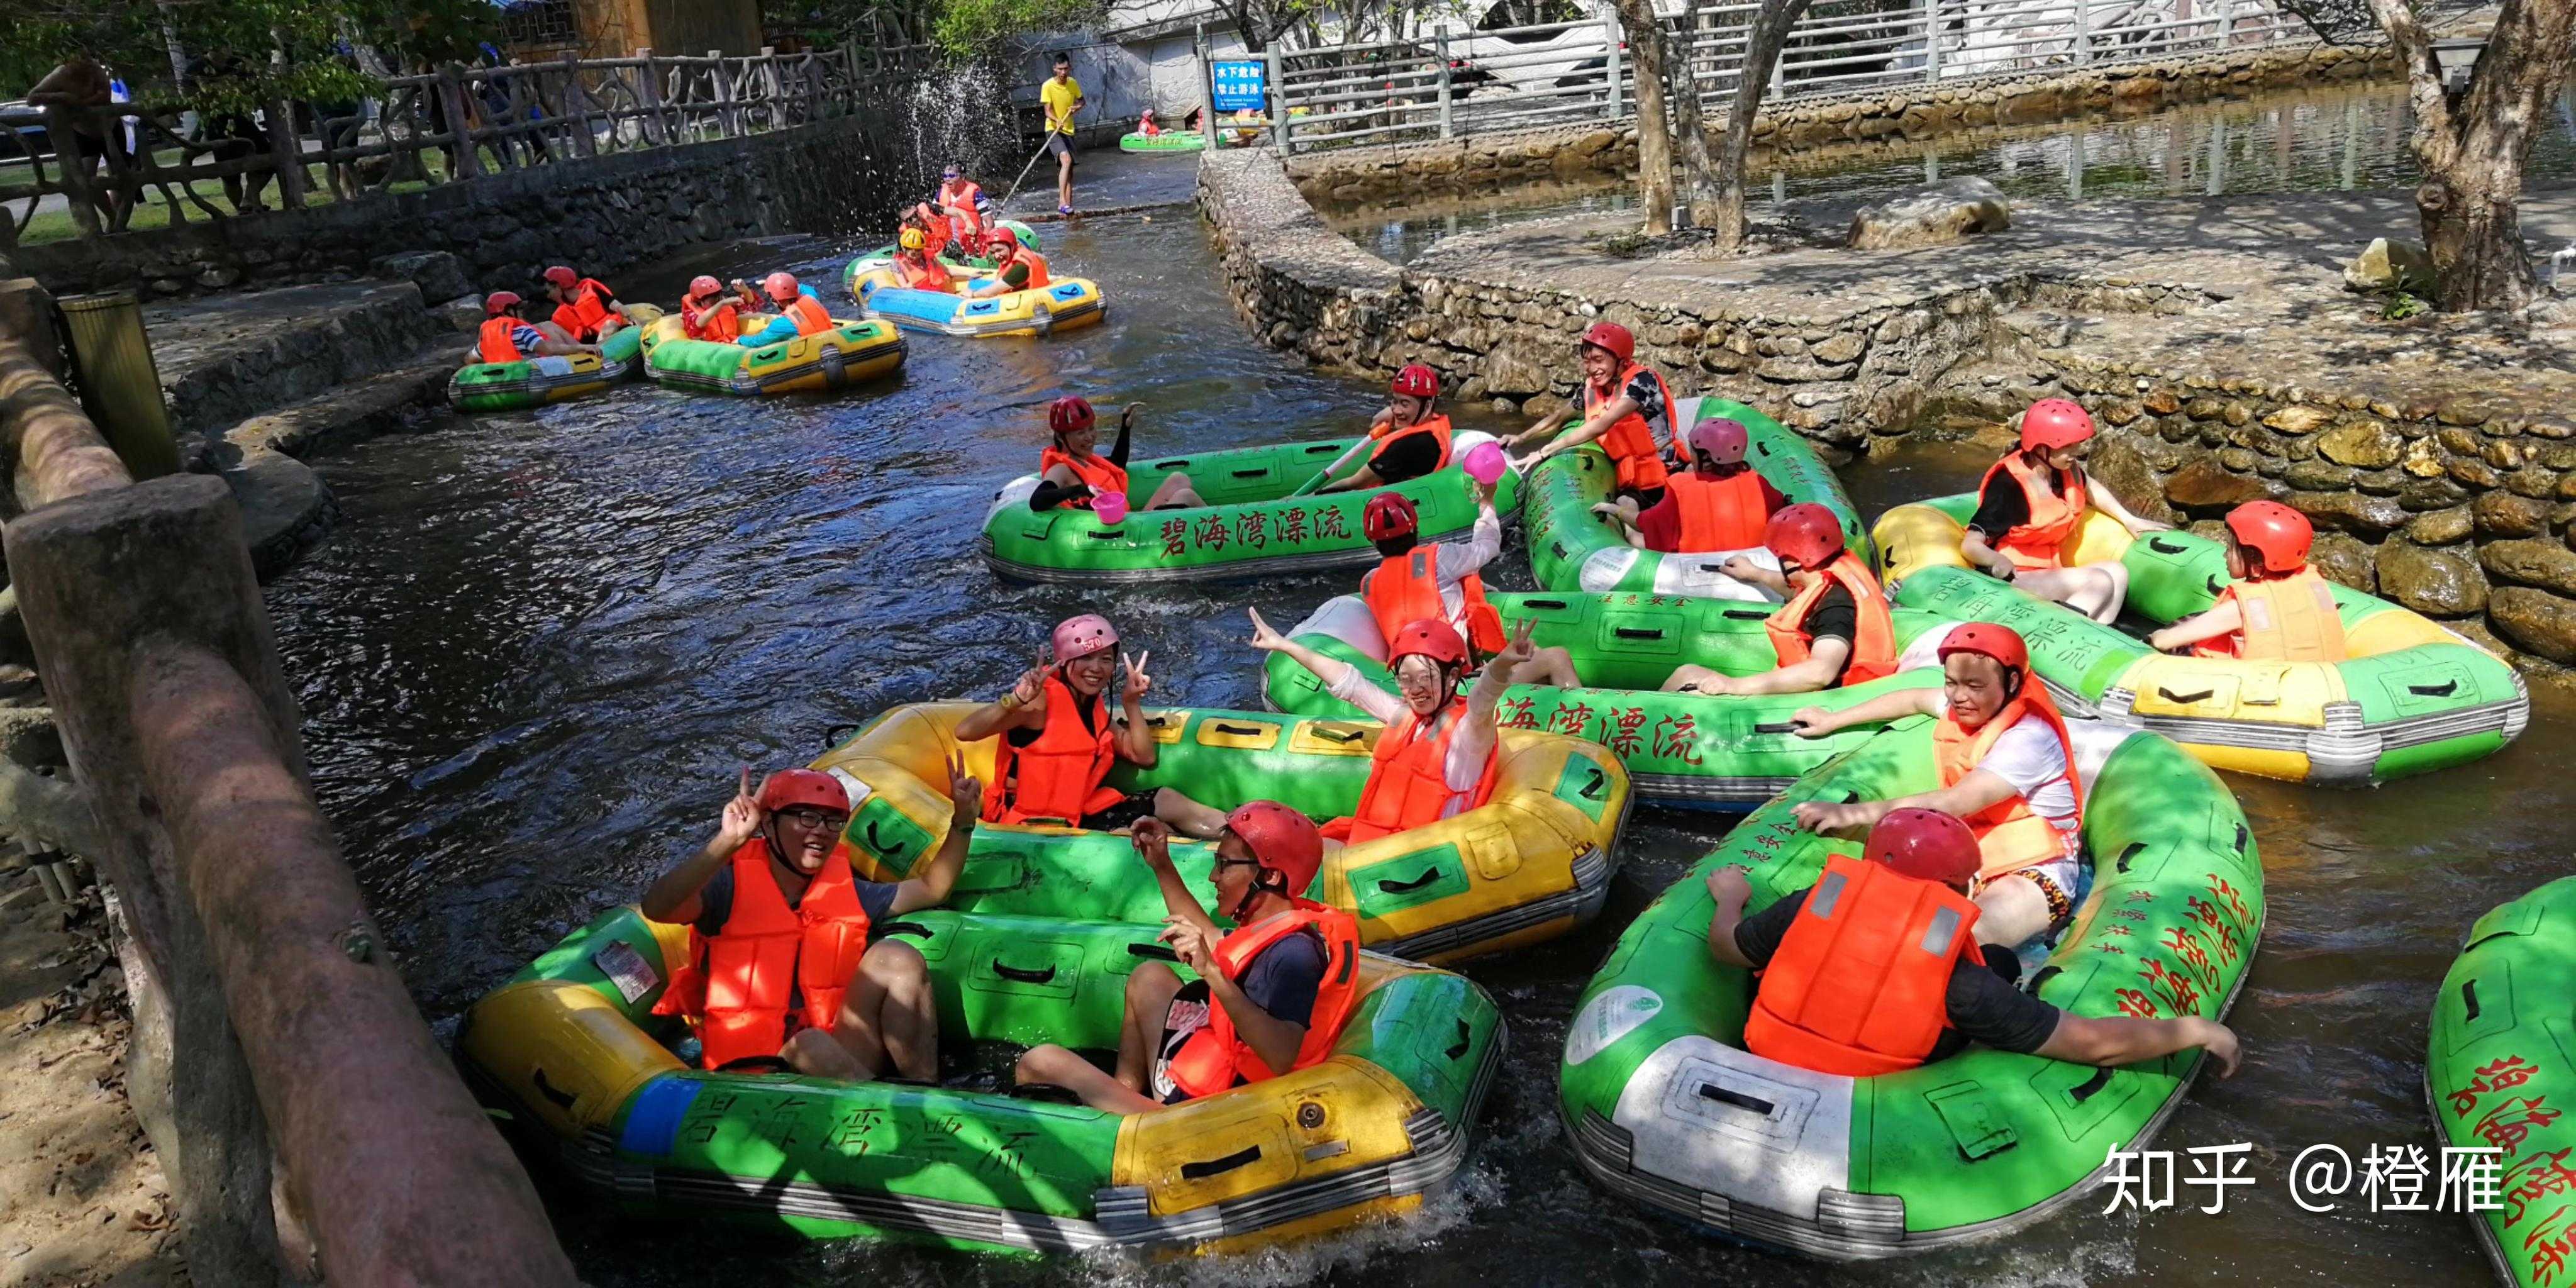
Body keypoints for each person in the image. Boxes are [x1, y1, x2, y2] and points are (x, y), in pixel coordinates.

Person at [1704, 809, 2241, 1079]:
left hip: (1768, 1051)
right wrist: (2192, 1029)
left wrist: (1731, 897)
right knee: (2002, 964)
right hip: (1879, 1090)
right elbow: (2093, 1044)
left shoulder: (1810, 906)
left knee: (1998, 959)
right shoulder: (1964, 987)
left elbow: (1728, 948)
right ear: (1961, 889)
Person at [1011, 804, 1358, 1113]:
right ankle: (1124, 1099)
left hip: (1207, 1115)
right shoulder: (1271, 924)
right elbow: (1210, 935)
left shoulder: (1294, 955)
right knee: (1150, 977)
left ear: (1269, 876)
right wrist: (1161, 863)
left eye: (1224, 865)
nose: (1213, 877)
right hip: (1205, 1074)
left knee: (1037, 1063)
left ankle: (1132, 1121)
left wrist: (1213, 974)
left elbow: (1281, 1056)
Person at [640, 763, 978, 1079]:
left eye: (833, 821)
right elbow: (658, 908)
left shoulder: (846, 889)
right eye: (806, 818)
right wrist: (728, 841)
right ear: (769, 825)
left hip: (840, 1055)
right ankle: (888, 1109)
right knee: (810, 1046)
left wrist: (963, 822)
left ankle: (926, 1092)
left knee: (897, 956)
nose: (822, 831)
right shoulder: (725, 887)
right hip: (752, 1075)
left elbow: (932, 889)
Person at [1782, 623, 2081, 950]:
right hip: (1970, 857)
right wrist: (1834, 719)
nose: (1960, 696)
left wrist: (1854, 813)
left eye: (1975, 686)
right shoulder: (1966, 705)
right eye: (1951, 683)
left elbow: (1958, 801)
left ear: (2011, 683)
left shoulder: (2030, 737)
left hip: (2034, 872)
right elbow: (1911, 700)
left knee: (1948, 943)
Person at [1249, 611, 1534, 848]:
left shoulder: (1469, 734)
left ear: (1453, 677)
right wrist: (1285, 645)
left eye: (1426, 678)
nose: (1416, 689)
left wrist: (1502, 666)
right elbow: (1350, 684)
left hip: (1422, 864)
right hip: (1372, 848)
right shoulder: (1404, 716)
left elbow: (1483, 698)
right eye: (1405, 679)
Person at [955, 613, 1221, 835]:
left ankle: (1240, 831)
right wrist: (1014, 700)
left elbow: (1144, 756)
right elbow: (965, 732)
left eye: (1106, 659)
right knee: (1145, 833)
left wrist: (1130, 702)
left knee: (1167, 799)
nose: (1097, 668)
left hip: (1079, 812)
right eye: (1085, 658)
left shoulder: (1092, 708)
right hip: (1032, 826)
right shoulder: (1039, 703)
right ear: (1064, 662)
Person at [1961, 399, 2168, 624]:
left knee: (2117, 572)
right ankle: (2057, 631)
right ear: (2041, 448)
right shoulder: (2009, 487)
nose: (2075, 453)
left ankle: (2097, 633)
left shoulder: (2062, 469)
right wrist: (1997, 560)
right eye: (2068, 447)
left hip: (2047, 571)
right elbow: (1971, 544)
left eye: (2076, 445)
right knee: (2099, 580)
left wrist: (2129, 520)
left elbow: (2089, 487)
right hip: (2014, 576)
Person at [1665, 503, 1899, 696]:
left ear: (1794, 560)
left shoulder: (1837, 607)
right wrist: (1756, 574)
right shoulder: (1829, 575)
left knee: (1693, 693)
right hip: (1808, 689)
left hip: (1825, 700)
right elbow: (1800, 593)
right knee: (1686, 673)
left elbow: (1822, 672)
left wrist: (1733, 685)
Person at [1506, 322, 1678, 513]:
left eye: (1598, 359)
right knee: (1624, 508)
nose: (1591, 368)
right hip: (1633, 477)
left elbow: (1602, 424)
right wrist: (1521, 438)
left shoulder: (1643, 381)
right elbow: (1558, 418)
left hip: (1668, 468)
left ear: (1621, 360)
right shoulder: (1592, 387)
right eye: (1587, 360)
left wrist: (1544, 451)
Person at [2148, 501, 2347, 662]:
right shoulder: (2311, 588)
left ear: (2255, 557)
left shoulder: (2241, 608)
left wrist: (2155, 636)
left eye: (2230, 548)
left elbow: (2163, 642)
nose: (2225, 554)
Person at [1594, 417, 1787, 553]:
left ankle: (1623, 530)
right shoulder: (1759, 482)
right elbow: (1779, 509)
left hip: (1692, 568)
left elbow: (1645, 523)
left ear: (1706, 457)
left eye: (1692, 451)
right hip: (1748, 561)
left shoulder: (1682, 487)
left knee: (1634, 536)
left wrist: (1614, 509)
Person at [1357, 487, 1504, 657]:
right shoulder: (1440, 557)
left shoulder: (1368, 582)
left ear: (1373, 541)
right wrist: (1487, 501)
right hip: (1453, 668)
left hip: (1407, 672)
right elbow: (1488, 545)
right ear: (1415, 527)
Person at [1028, 396, 1202, 513]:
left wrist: (1125, 427)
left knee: (1179, 479)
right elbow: (1037, 501)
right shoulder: (1061, 469)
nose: (1089, 438)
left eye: (1091, 429)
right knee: (1185, 496)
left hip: (1130, 523)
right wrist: (1079, 491)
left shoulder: (1084, 460)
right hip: (1117, 538)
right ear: (1060, 436)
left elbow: (1116, 464)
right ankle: (1228, 541)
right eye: (1080, 433)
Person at [1321, 365, 1456, 492]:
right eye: (1395, 401)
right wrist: (1396, 411)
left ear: (1427, 407)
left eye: (1405, 404)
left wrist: (1305, 500)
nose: (1396, 410)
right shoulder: (1431, 425)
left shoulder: (1412, 445)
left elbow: (1355, 483)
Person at [25, 56, 123, 223]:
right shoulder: (60, 75)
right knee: (86, 177)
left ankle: (120, 222)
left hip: (110, 127)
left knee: (120, 175)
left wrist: (79, 102)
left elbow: (105, 97)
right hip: (83, 132)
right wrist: (61, 96)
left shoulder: (96, 70)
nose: (84, 65)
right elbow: (32, 98)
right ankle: (112, 218)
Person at [468, 291, 595, 364]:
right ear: (509, 311)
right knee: (549, 327)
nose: (522, 312)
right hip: (529, 376)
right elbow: (549, 350)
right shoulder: (523, 332)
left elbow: (469, 359)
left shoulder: (485, 340)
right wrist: (581, 347)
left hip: (507, 378)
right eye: (520, 309)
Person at [735, 272, 835, 347]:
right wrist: (784, 285)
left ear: (776, 300)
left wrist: (741, 339)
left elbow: (757, 341)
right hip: (833, 343)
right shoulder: (811, 297)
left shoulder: (780, 324)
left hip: (813, 354)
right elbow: (804, 288)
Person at [1040, 52, 1084, 216]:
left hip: (1069, 130)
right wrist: (1056, 120)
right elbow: (1047, 111)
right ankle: (1061, 202)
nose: (1063, 73)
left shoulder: (1072, 83)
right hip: (1053, 129)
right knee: (1066, 159)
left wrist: (1077, 107)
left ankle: (1068, 208)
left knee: (1069, 170)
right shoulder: (1047, 86)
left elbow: (1082, 101)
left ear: (1070, 68)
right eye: (1060, 69)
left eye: (1066, 69)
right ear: (1055, 69)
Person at [540, 265, 629, 341]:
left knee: (610, 325)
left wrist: (631, 318)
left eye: (548, 291)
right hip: (588, 352)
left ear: (558, 286)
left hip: (613, 332)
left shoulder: (593, 290)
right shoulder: (559, 316)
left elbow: (618, 306)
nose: (548, 296)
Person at [967, 233, 1051, 299]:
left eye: (1000, 250)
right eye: (993, 253)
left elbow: (989, 292)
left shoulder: (1020, 268)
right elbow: (1044, 259)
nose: (996, 256)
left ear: (1012, 246)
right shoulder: (1023, 253)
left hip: (1031, 304)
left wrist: (973, 294)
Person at [892, 226, 957, 294]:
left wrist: (969, 274)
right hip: (921, 297)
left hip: (939, 294)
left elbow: (947, 271)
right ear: (904, 248)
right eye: (912, 251)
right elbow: (904, 289)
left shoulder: (928, 257)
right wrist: (916, 281)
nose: (916, 254)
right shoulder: (897, 263)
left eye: (919, 250)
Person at [678, 275, 740, 343]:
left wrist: (745, 291)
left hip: (730, 343)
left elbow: (750, 305)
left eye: (719, 297)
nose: (717, 301)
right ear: (699, 301)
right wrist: (721, 304)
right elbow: (699, 324)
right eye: (713, 300)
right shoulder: (691, 314)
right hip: (710, 349)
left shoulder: (724, 305)